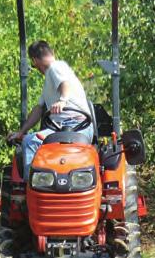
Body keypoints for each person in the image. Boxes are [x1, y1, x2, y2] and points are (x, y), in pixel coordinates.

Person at [7, 40, 93, 181]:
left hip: (77, 127)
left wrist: (63, 100)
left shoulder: (55, 68)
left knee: (30, 143)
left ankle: (30, 186)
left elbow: (65, 84)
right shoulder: (50, 81)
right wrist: (21, 132)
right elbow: (38, 109)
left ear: (34, 60)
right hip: (60, 129)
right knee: (29, 139)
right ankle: (46, 184)